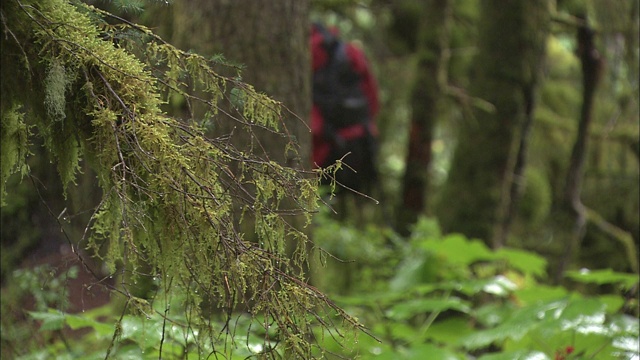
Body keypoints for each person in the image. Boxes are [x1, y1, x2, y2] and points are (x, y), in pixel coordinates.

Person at [311, 23, 380, 195]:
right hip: (360, 140)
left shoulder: (308, 51)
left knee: (320, 202)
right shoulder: (350, 52)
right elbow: (372, 97)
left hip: (324, 147)